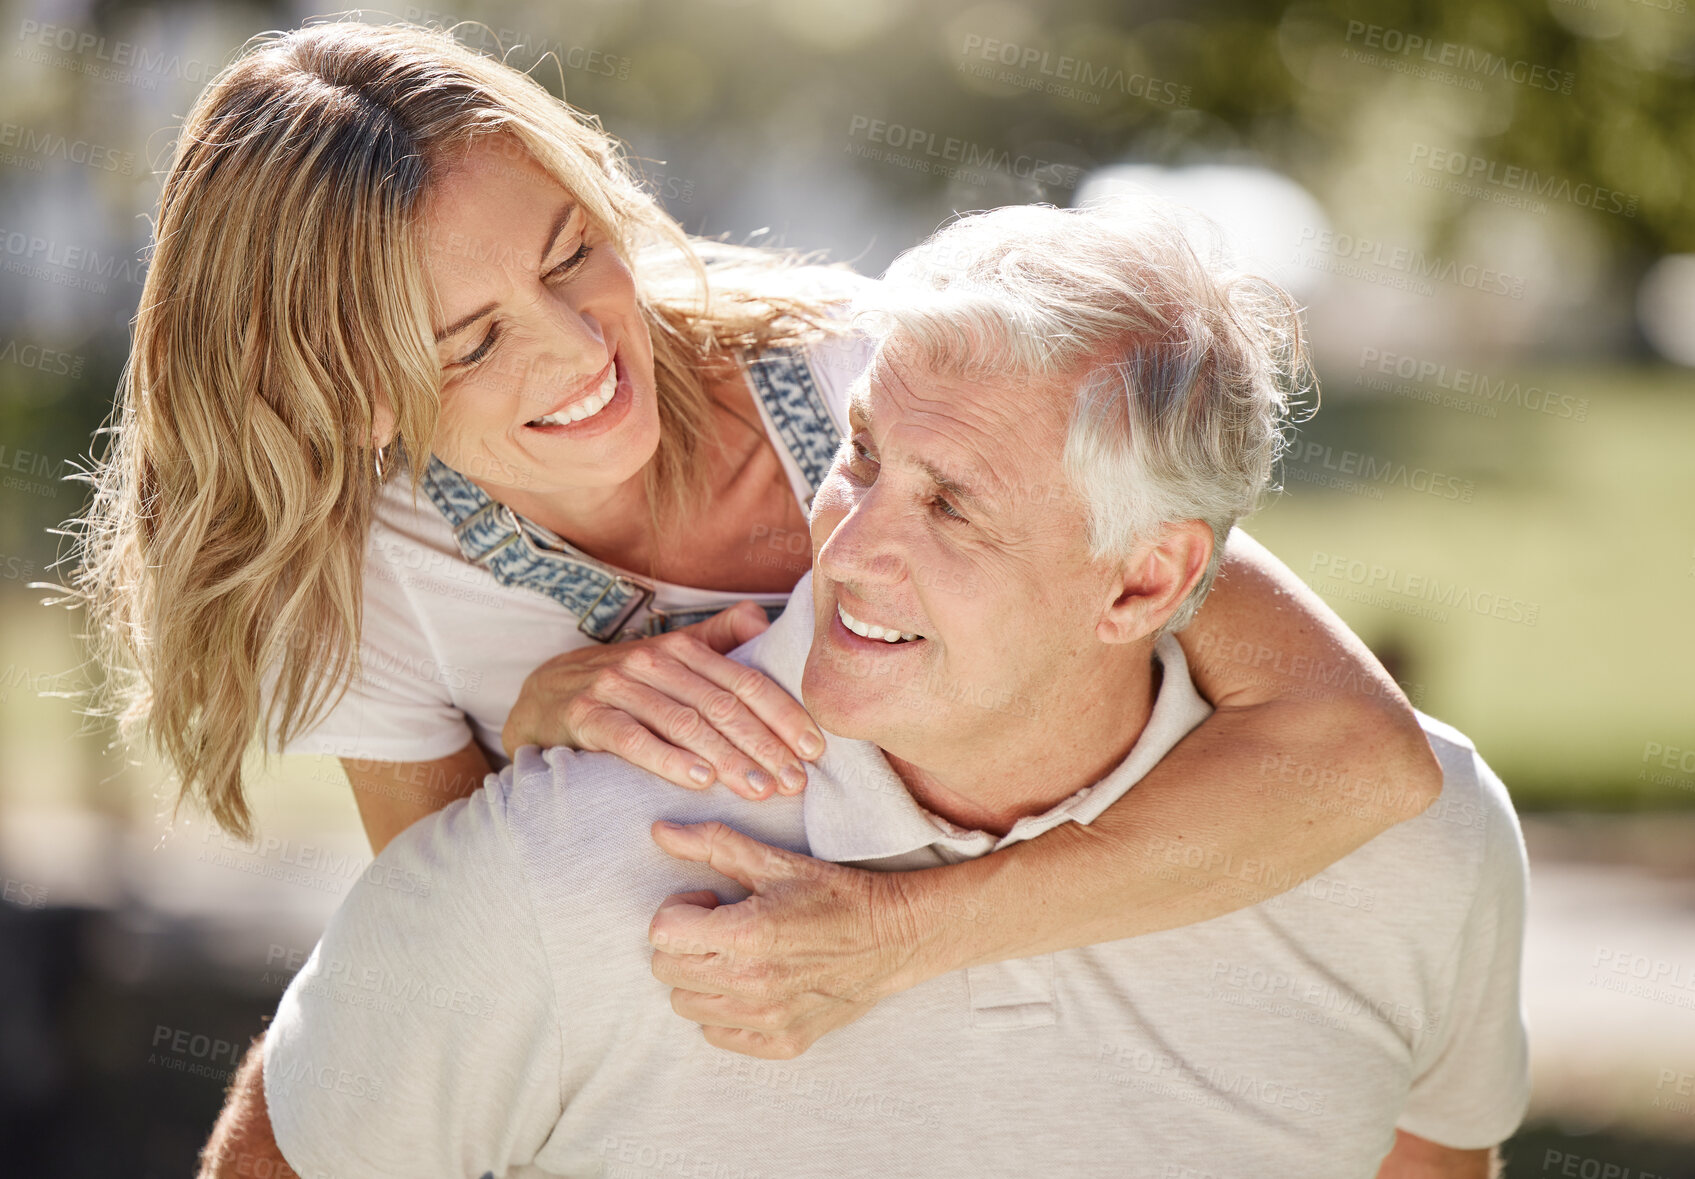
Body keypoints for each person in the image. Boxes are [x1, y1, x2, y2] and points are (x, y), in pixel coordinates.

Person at [71, 19, 1440, 1059]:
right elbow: (472, 981)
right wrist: (532, 734)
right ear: (353, 394)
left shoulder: (883, 370)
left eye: (568, 255)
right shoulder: (374, 589)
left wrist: (904, 940)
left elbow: (1357, 755)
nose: (580, 352)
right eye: (473, 340)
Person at [202, 201, 1529, 1179]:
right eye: (859, 461)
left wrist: (903, 935)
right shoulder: (547, 871)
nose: (843, 549)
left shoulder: (1420, 846)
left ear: (1139, 587)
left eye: (949, 505)